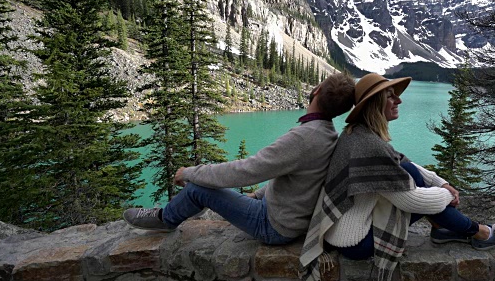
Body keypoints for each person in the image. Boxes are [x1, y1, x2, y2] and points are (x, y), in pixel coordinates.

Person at [300, 73, 495, 281]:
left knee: (407, 171)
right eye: (390, 96)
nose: (399, 100)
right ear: (374, 104)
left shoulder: (359, 133)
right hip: (355, 241)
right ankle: (480, 232)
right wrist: (446, 194)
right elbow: (413, 202)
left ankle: (444, 229)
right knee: (417, 189)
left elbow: (401, 163)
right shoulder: (368, 145)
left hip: (342, 228)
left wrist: (440, 182)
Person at [123, 72, 356, 245]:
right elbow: (300, 179)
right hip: (283, 215)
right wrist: (259, 194)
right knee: (205, 189)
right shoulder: (325, 133)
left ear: (316, 91)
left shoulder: (306, 137)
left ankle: (165, 218)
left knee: (197, 189)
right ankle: (183, 211)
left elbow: (247, 170)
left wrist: (189, 172)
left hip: (274, 226)